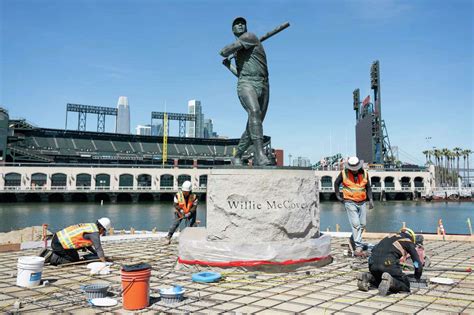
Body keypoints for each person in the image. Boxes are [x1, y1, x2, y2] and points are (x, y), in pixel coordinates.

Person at [219, 17, 271, 166]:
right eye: (236, 24)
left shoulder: (250, 37)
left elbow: (224, 51)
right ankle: (260, 155)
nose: (240, 25)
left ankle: (238, 155)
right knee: (254, 112)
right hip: (246, 83)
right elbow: (225, 56)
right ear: (233, 30)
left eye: (242, 23)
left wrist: (234, 51)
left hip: (264, 83)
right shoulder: (239, 50)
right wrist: (229, 65)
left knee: (255, 123)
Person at [357, 227, 423, 296]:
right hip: (388, 263)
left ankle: (367, 277)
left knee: (379, 279)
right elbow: (417, 263)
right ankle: (391, 281)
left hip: (372, 263)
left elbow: (374, 250)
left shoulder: (388, 237)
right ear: (412, 238)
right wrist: (417, 276)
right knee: (405, 285)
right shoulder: (408, 241)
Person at [334, 156, 374, 257]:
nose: (354, 171)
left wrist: (371, 199)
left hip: (362, 202)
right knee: (356, 224)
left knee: (362, 224)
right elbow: (336, 183)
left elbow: (368, 187)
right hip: (349, 201)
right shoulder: (344, 173)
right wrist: (338, 195)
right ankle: (358, 247)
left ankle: (353, 240)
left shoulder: (365, 173)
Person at [47, 217, 111, 266]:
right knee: (73, 260)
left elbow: (88, 244)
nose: (103, 233)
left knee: (75, 256)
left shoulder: (91, 226)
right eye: (104, 231)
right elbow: (99, 249)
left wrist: (94, 253)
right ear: (102, 229)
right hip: (59, 245)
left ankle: (56, 253)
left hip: (57, 239)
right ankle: (52, 257)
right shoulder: (94, 233)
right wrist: (104, 263)